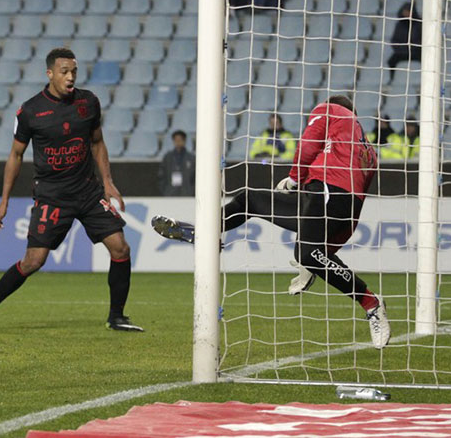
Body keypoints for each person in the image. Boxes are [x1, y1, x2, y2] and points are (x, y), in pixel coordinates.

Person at [152, 95, 390, 349]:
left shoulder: (331, 110)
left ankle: (371, 302)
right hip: (331, 202)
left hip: (326, 194)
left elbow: (308, 144)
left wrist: (293, 178)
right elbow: (354, 208)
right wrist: (326, 252)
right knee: (250, 201)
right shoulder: (367, 153)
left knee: (307, 253)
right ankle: (206, 233)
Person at [0, 47, 142, 333]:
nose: (70, 77)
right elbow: (16, 156)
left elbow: (97, 142)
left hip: (88, 192)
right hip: (52, 196)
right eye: (64, 72)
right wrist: (4, 201)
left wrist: (107, 181)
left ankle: (117, 316)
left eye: (74, 72)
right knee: (34, 260)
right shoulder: (31, 110)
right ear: (49, 74)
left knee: (120, 248)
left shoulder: (88, 102)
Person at [157, 130, 194, 197]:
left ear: (184, 141)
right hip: (170, 192)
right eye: (176, 140)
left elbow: (194, 176)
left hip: (187, 193)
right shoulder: (167, 157)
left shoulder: (191, 158)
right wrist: (165, 191)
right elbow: (161, 175)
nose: (178, 142)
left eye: (180, 140)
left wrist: (192, 191)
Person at [387, 2, 422, 68]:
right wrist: (403, 49)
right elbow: (394, 41)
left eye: (408, 11)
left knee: (424, 60)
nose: (406, 13)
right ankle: (393, 78)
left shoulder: (419, 24)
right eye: (405, 11)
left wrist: (412, 48)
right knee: (391, 61)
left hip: (416, 53)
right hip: (402, 53)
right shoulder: (399, 25)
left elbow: (422, 41)